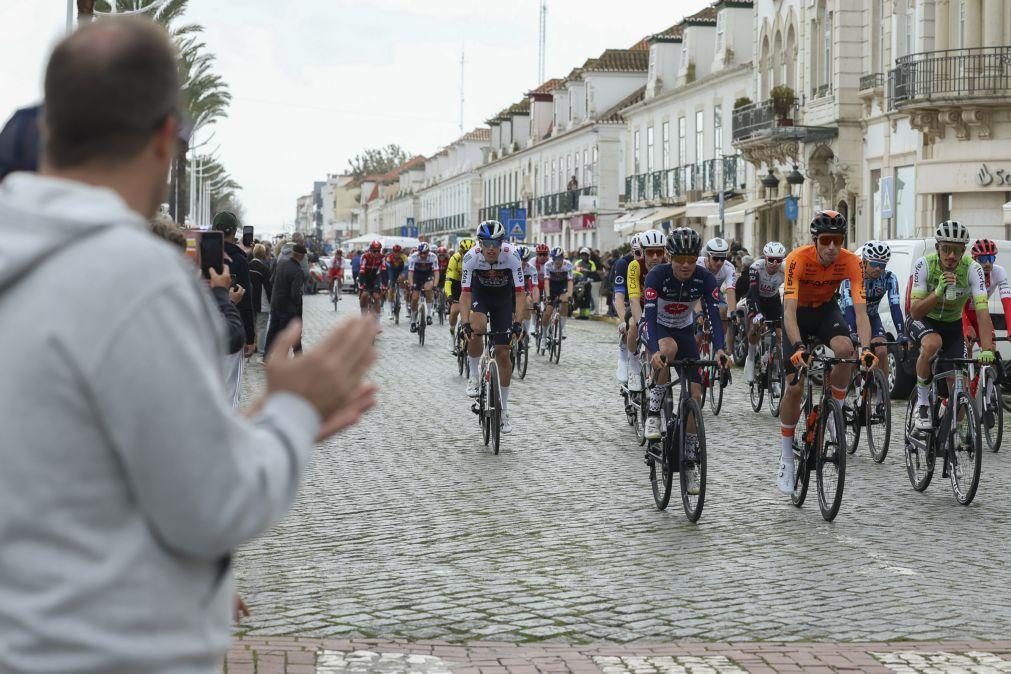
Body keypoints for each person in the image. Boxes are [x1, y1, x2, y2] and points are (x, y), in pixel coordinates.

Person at [0, 17, 378, 674]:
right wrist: (292, 413)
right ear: (166, 136)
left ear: (51, 125)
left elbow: (97, 462)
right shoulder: (133, 279)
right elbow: (210, 508)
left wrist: (255, 420)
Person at [778, 210, 876, 494]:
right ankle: (786, 457)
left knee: (847, 350)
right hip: (797, 316)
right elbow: (789, 311)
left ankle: (835, 412)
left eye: (837, 240)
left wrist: (866, 348)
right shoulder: (797, 259)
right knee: (794, 388)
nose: (832, 247)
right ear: (816, 240)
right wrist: (797, 346)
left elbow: (861, 313)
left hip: (824, 311)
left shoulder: (852, 262)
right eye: (826, 241)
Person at [642, 228, 729, 495]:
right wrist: (656, 350)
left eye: (691, 259)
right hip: (658, 328)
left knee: (696, 393)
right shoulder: (658, 275)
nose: (686, 265)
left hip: (685, 330)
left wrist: (720, 349)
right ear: (670, 256)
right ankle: (654, 411)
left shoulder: (704, 278)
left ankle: (690, 459)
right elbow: (649, 313)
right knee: (667, 350)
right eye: (680, 259)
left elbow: (714, 316)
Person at [908, 221, 995, 430]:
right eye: (946, 249)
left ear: (963, 251)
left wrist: (987, 349)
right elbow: (915, 311)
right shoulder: (925, 264)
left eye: (956, 250)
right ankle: (922, 403)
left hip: (953, 326)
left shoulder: (972, 269)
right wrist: (937, 292)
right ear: (937, 248)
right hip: (924, 320)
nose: (951, 256)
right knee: (932, 344)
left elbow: (983, 313)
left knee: (960, 394)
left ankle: (948, 437)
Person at [460, 221, 526, 433]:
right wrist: (464, 323)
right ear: (480, 243)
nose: (491, 248)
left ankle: (504, 409)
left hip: (503, 301)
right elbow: (466, 294)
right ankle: (473, 375)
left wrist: (518, 322)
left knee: (503, 354)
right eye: (486, 243)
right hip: (481, 296)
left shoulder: (512, 256)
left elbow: (520, 293)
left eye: (495, 243)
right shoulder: (470, 258)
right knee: (476, 326)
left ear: (501, 243)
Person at [838, 240, 906, 380]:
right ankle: (844, 393)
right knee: (853, 354)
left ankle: (883, 393)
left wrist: (900, 333)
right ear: (864, 262)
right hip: (848, 316)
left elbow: (895, 307)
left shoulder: (889, 278)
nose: (878, 269)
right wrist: (852, 332)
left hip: (872, 317)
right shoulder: (850, 278)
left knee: (881, 350)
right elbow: (849, 308)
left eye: (882, 265)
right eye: (874, 264)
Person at [213, 211, 255, 406]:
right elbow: (246, 301)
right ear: (234, 232)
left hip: (202, 326)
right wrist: (250, 337)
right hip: (231, 325)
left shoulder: (199, 255)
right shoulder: (238, 259)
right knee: (230, 389)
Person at [625, 230, 668, 391]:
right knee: (634, 326)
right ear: (643, 252)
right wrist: (641, 321)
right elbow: (634, 299)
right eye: (651, 252)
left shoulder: (668, 265)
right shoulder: (635, 266)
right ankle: (633, 365)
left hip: (662, 307)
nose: (656, 257)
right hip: (641, 305)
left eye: (659, 252)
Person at [743, 242, 786, 383]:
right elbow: (754, 292)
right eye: (771, 259)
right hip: (755, 299)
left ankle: (775, 373)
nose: (775, 263)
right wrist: (758, 313)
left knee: (779, 335)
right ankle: (750, 358)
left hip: (772, 300)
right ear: (765, 258)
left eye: (778, 260)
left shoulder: (785, 270)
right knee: (756, 326)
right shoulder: (756, 267)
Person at [697, 237, 737, 359]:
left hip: (713, 293)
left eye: (723, 258)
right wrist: (698, 312)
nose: (719, 262)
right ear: (707, 256)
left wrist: (733, 312)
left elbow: (730, 291)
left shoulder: (729, 268)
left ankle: (719, 343)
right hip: (696, 293)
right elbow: (694, 294)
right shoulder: (697, 264)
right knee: (696, 333)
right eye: (715, 258)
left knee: (723, 309)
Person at [265, 243, 307, 357]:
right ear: (302, 257)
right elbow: (295, 294)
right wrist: (298, 304)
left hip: (275, 303)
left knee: (273, 330)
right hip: (288, 308)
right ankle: (290, 356)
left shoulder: (281, 263)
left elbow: (272, 280)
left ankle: (266, 355)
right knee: (290, 332)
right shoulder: (297, 271)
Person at [612, 234, 642, 387]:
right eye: (637, 253)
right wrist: (624, 320)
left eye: (645, 252)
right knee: (630, 325)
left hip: (643, 298)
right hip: (624, 298)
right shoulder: (623, 264)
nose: (641, 257)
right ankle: (624, 357)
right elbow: (619, 296)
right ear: (631, 251)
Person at [444, 237, 475, 351]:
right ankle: (452, 334)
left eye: (470, 253)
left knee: (473, 315)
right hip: (457, 284)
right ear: (461, 252)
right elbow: (448, 281)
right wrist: (449, 296)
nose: (467, 255)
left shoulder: (479, 259)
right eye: (465, 253)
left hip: (471, 285)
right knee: (455, 311)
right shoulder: (455, 258)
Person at [541, 247, 574, 339]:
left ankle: (562, 328)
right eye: (555, 259)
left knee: (565, 301)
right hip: (551, 288)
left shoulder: (568, 265)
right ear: (552, 258)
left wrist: (570, 295)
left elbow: (570, 281)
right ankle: (544, 335)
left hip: (562, 287)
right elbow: (546, 282)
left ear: (563, 258)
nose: (558, 261)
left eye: (560, 259)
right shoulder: (548, 265)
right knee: (548, 312)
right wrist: (547, 296)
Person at [407, 242, 440, 332]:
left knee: (429, 288)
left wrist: (435, 285)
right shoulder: (413, 257)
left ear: (428, 252)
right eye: (420, 253)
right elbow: (410, 272)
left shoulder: (433, 257)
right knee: (414, 298)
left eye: (424, 253)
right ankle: (413, 321)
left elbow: (436, 272)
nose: (422, 255)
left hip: (427, 275)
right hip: (416, 276)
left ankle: (429, 314)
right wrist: (411, 285)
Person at [249, 243, 272, 358]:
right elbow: (268, 288)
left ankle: (252, 345)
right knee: (262, 326)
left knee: (253, 324)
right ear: (263, 254)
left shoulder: (248, 265)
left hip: (250, 300)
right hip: (262, 302)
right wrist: (271, 301)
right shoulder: (264, 269)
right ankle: (261, 349)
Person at [357, 240, 387, 318]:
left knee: (377, 297)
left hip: (375, 277)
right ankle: (363, 316)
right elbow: (362, 271)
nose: (377, 253)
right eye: (374, 251)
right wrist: (362, 284)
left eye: (378, 251)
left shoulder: (382, 257)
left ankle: (377, 322)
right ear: (370, 250)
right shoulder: (365, 256)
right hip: (365, 277)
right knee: (364, 295)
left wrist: (384, 284)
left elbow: (384, 271)